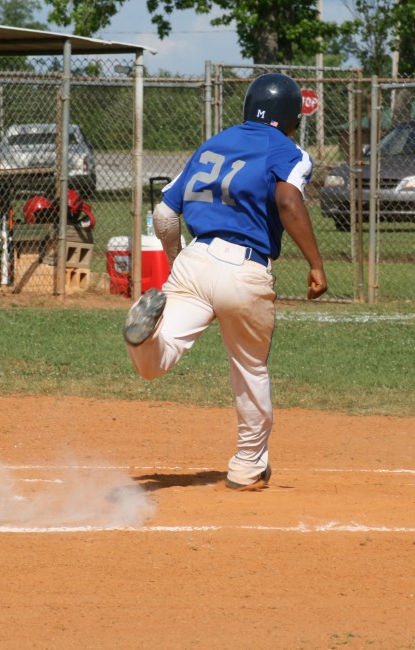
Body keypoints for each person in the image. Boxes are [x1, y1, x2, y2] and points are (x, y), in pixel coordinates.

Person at [123, 73, 328, 491]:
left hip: (195, 258)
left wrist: (179, 263)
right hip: (246, 268)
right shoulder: (289, 150)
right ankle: (248, 466)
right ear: (291, 117)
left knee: (156, 362)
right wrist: (316, 265)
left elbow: (164, 214)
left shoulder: (212, 143)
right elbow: (289, 200)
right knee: (249, 368)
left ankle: (141, 340)